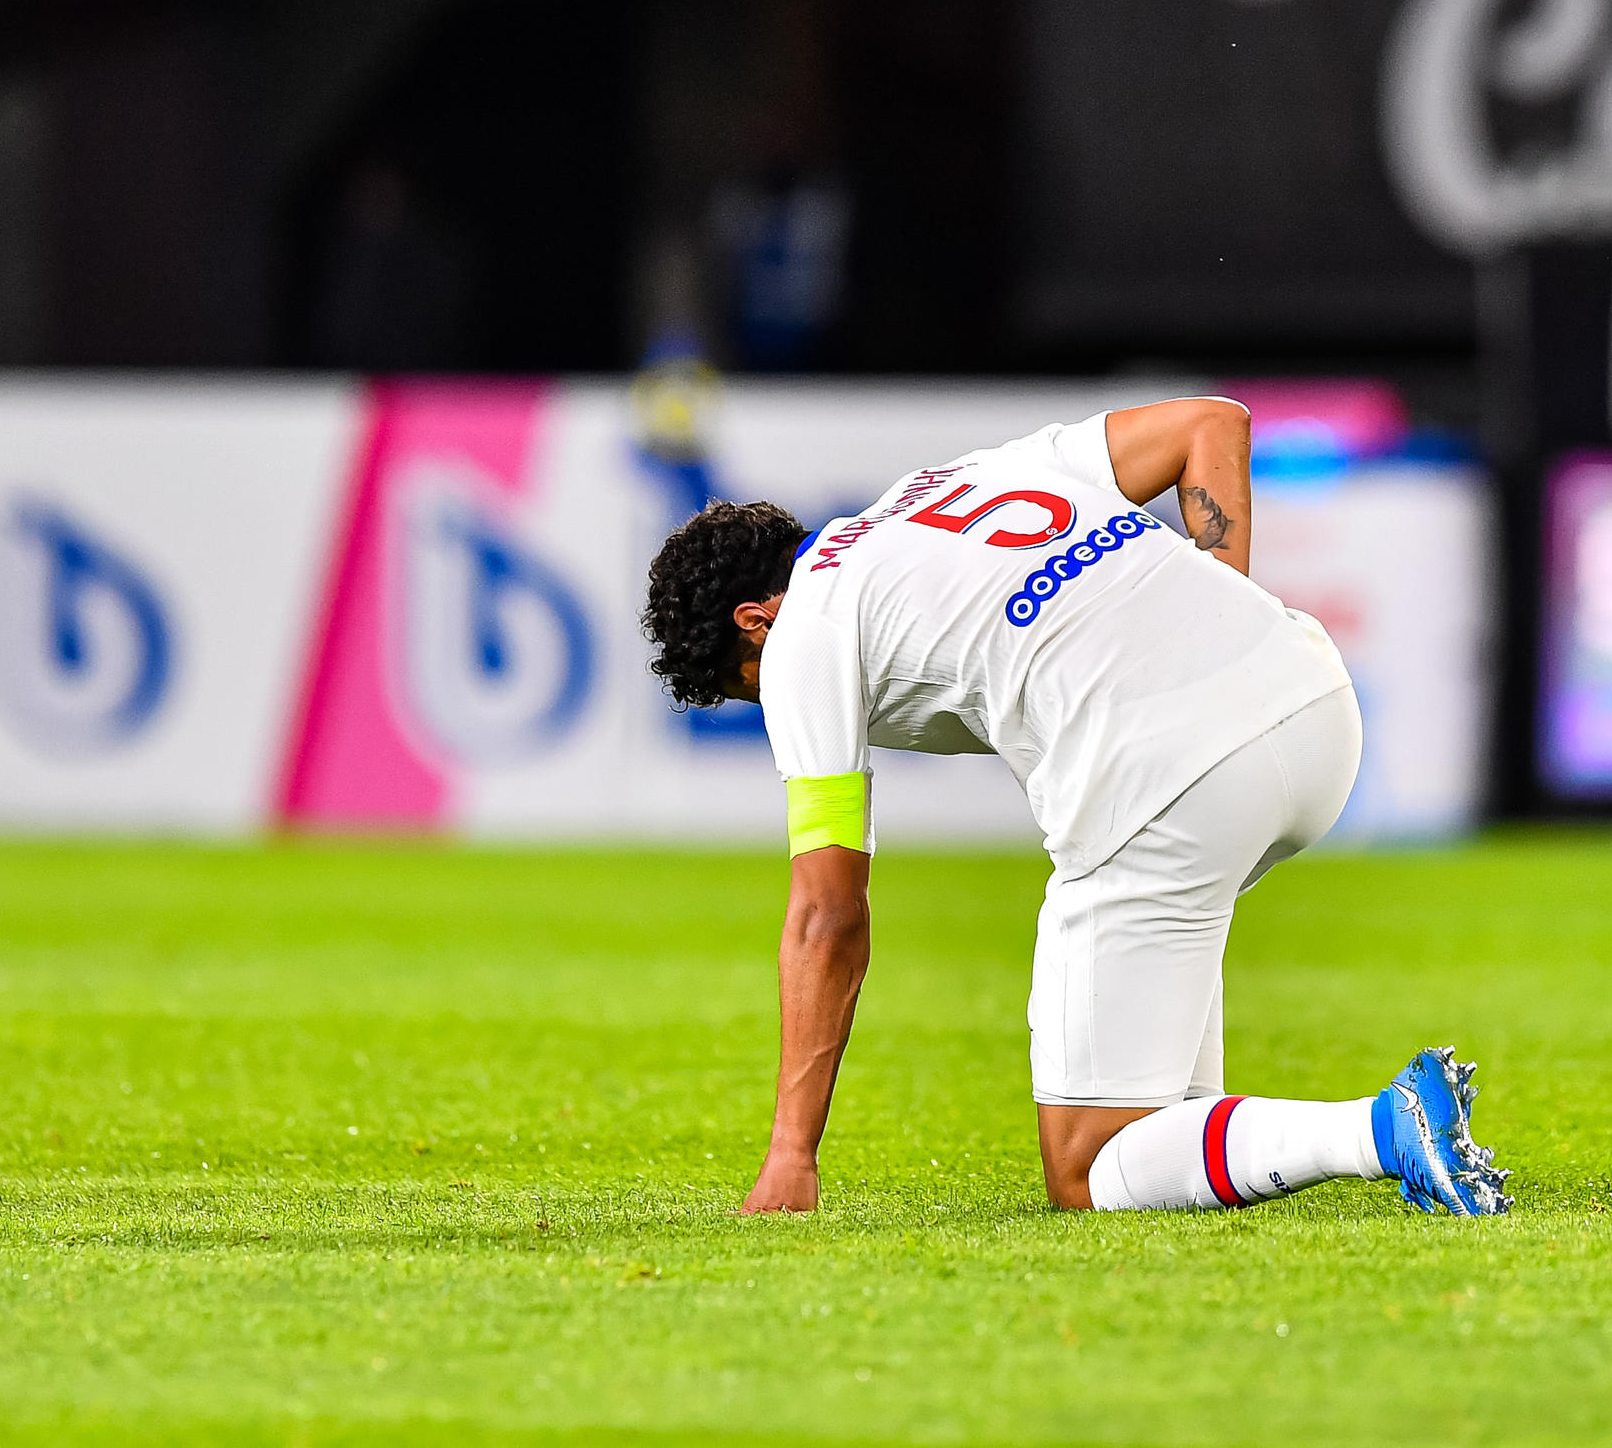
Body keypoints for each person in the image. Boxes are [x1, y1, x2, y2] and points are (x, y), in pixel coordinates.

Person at [641, 397, 1511, 1218]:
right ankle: (1249, 1148)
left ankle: (1384, 1127)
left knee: (1090, 1163)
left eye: (744, 689)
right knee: (1169, 1117)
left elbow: (827, 915)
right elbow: (1210, 424)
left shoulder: (801, 632)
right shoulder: (958, 481)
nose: (767, 706)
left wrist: (792, 1150)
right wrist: (1220, 620)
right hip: (1313, 706)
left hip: (1170, 778)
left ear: (755, 621)